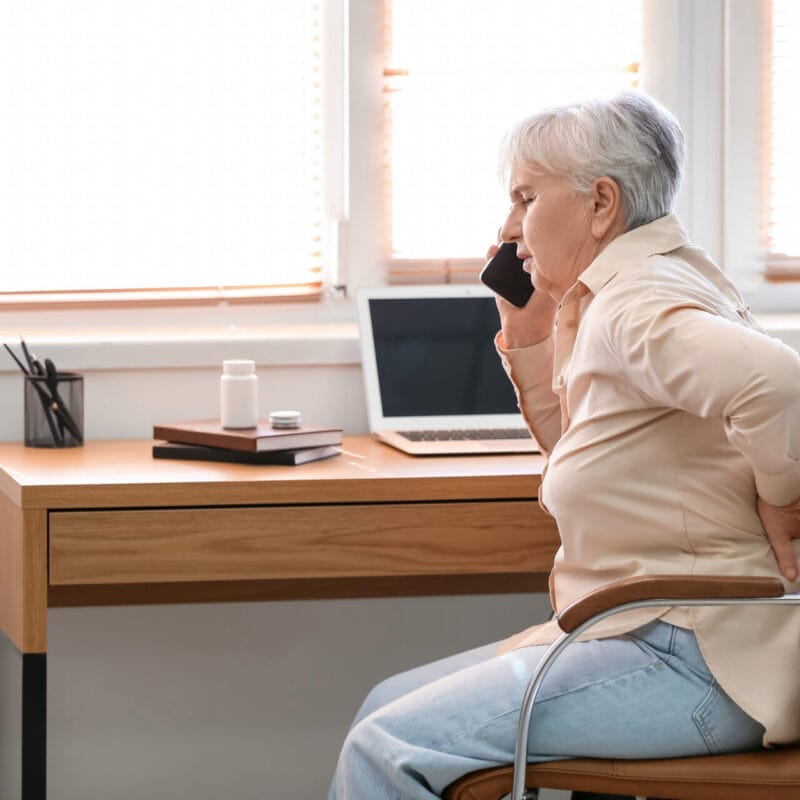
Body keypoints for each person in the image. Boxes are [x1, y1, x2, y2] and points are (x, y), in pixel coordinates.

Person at [327, 91, 800, 800]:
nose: (508, 226)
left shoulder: (634, 303)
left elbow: (777, 381)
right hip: (650, 636)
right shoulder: (630, 288)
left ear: (601, 203)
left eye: (525, 197)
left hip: (694, 658)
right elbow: (587, 454)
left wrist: (783, 498)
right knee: (384, 705)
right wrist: (529, 338)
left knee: (388, 744)